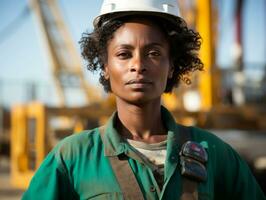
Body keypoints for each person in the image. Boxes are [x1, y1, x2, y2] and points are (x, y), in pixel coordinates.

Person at [22, 0, 265, 199]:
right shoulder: (71, 158)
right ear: (105, 66)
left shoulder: (216, 154)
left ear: (172, 66)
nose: (138, 65)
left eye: (154, 53)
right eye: (124, 54)